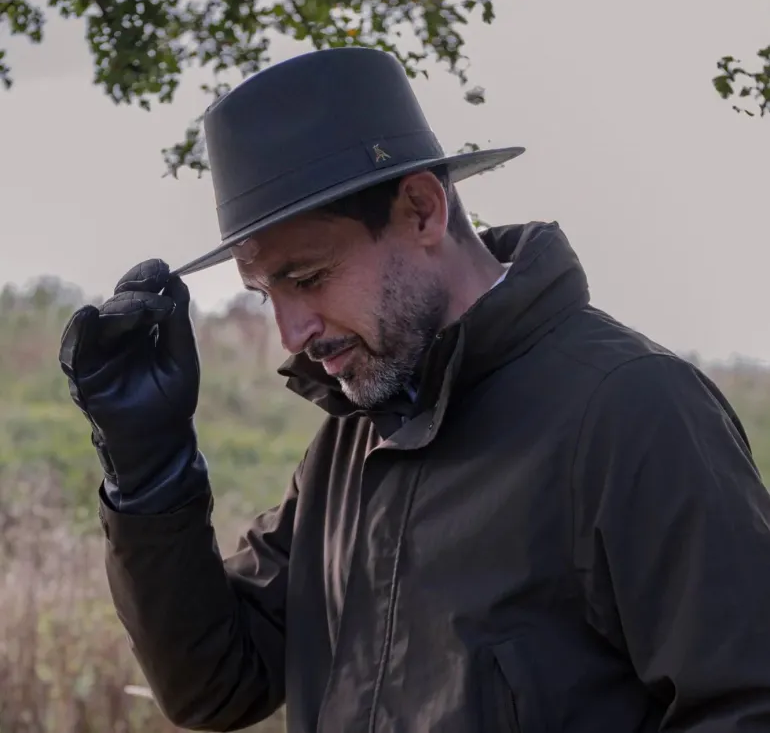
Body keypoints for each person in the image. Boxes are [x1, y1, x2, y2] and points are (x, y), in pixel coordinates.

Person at [58, 47, 770, 733]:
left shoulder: (634, 411)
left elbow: (746, 703)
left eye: (307, 278)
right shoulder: (350, 442)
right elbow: (214, 684)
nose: (291, 333)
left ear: (423, 210)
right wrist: (150, 474)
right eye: (266, 293)